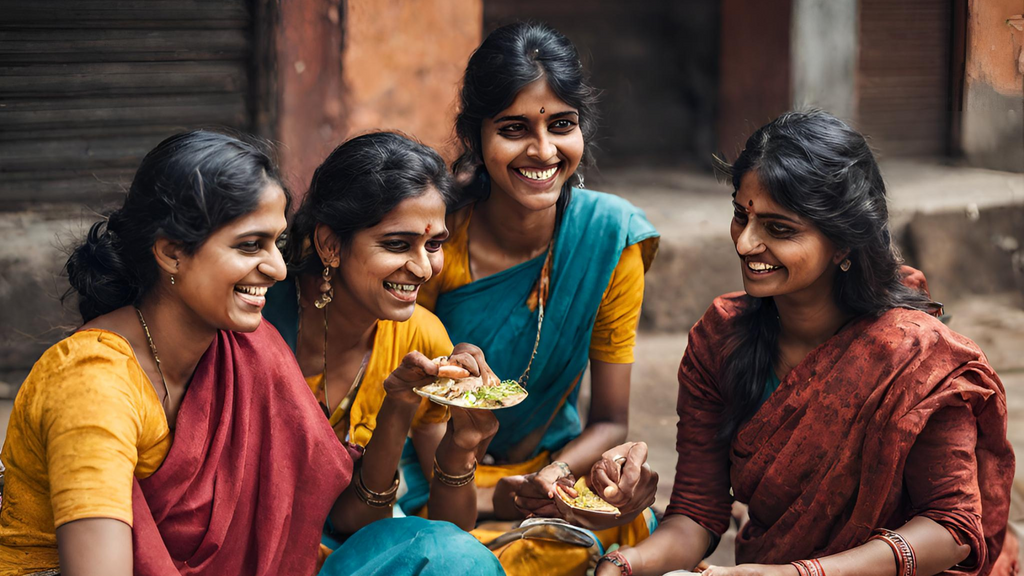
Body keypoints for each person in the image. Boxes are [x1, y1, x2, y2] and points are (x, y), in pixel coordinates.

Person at [0, 131, 503, 576]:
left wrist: (402, 406)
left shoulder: (247, 350)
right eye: (249, 246)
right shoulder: (94, 382)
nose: (280, 269)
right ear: (172, 251)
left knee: (452, 559)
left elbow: (339, 512)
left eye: (277, 242)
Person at [584, 110, 1016, 576]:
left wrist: (802, 574)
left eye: (779, 229)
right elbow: (697, 511)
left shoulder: (915, 356)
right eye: (740, 215)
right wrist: (624, 563)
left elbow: (951, 527)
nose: (746, 243)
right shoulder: (721, 338)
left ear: (844, 244)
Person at [410, 22, 660, 574]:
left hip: (550, 471)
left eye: (562, 125)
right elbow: (415, 416)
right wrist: (500, 497)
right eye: (514, 128)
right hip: (435, 476)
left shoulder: (610, 239)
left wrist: (556, 479)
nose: (542, 151)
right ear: (476, 137)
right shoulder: (434, 243)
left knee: (624, 524)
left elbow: (611, 419)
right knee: (434, 551)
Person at [262, 131, 498, 531]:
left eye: (434, 244)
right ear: (331, 245)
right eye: (396, 244)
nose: (424, 269)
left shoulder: (422, 338)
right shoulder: (261, 322)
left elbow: (453, 531)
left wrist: (459, 447)